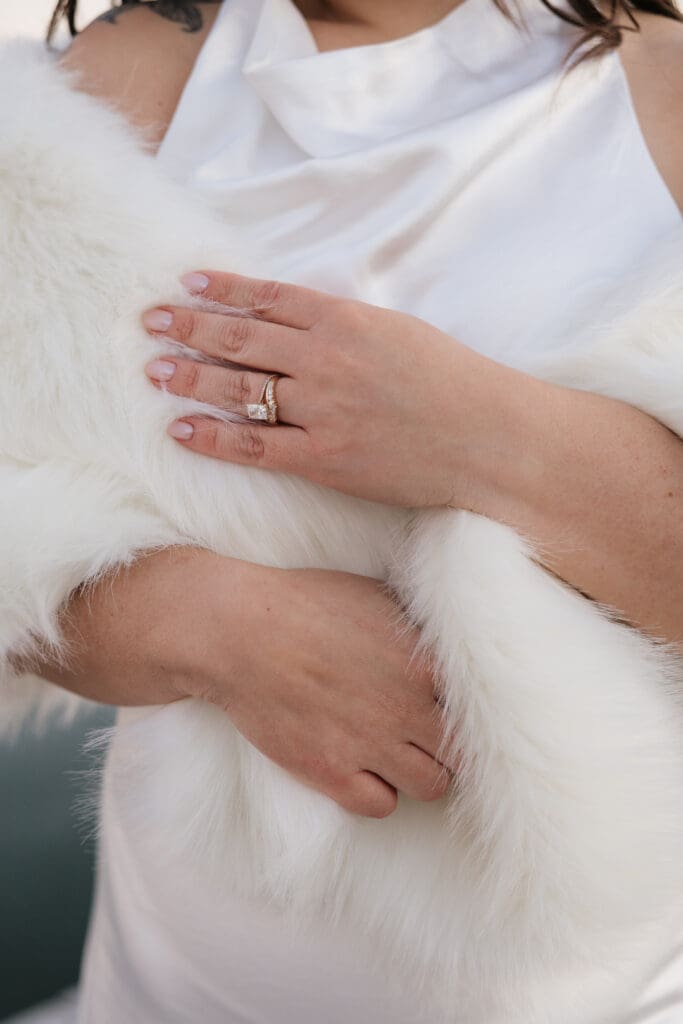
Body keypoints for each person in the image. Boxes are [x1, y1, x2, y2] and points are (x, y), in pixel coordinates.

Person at [17, 0, 683, 1019]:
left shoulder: (663, 93)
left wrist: (480, 431)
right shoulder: (113, 79)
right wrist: (204, 623)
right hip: (178, 981)